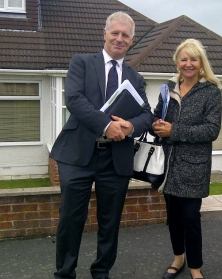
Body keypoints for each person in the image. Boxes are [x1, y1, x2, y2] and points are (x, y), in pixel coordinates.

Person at [50, 12, 153, 279]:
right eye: (115, 33)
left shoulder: (135, 77)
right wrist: (107, 125)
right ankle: (64, 273)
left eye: (125, 35)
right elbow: (74, 99)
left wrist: (130, 126)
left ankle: (101, 272)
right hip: (77, 154)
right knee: (70, 219)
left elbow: (146, 115)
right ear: (104, 33)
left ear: (131, 41)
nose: (119, 39)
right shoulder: (81, 63)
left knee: (110, 221)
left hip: (115, 158)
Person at [151, 38, 222, 279]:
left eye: (193, 59)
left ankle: (195, 268)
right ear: (177, 62)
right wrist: (155, 125)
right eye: (184, 59)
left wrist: (175, 131)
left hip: (194, 167)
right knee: (173, 218)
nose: (188, 64)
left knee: (191, 218)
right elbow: (155, 117)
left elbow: (211, 130)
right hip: (169, 166)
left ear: (201, 63)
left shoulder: (210, 91)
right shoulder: (167, 88)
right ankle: (178, 258)